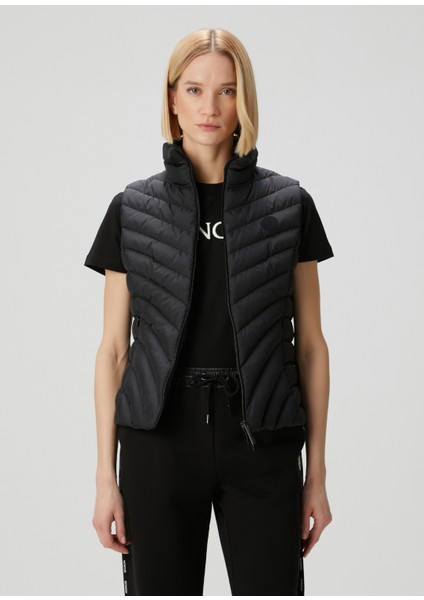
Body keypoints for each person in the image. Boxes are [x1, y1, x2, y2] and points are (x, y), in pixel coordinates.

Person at [84, 28, 334, 596]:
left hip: (263, 439)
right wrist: (105, 476)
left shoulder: (289, 206)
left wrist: (316, 474)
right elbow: (114, 350)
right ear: (172, 98)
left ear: (244, 99)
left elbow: (311, 346)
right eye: (194, 89)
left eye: (227, 90)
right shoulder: (132, 209)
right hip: (159, 443)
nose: (210, 107)